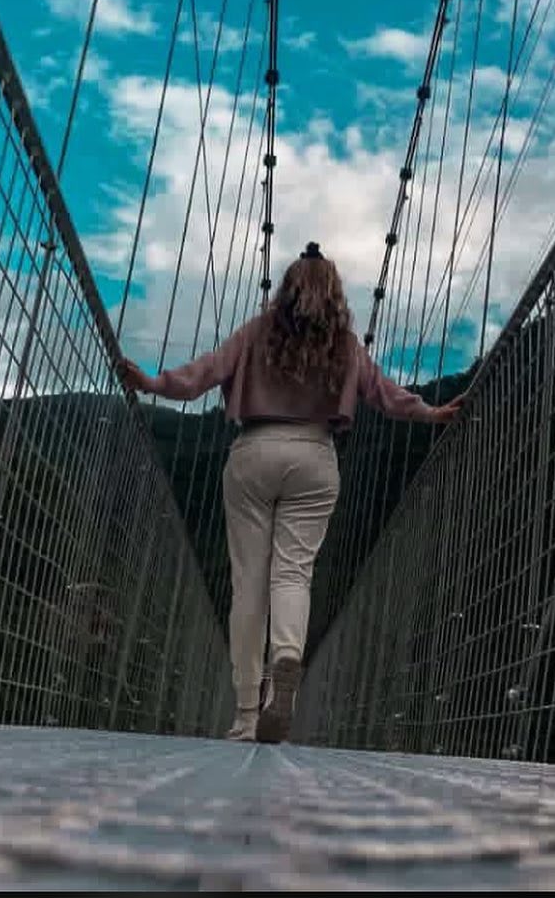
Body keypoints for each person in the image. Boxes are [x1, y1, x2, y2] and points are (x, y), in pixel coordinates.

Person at [118, 242, 461, 745]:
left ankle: (245, 715)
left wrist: (151, 382)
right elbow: (384, 393)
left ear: (287, 287)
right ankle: (287, 656)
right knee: (293, 574)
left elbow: (203, 374)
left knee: (249, 585)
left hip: (255, 450)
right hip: (315, 457)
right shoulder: (343, 344)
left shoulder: (259, 330)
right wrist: (430, 412)